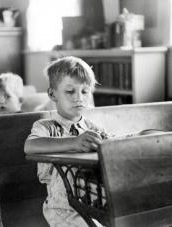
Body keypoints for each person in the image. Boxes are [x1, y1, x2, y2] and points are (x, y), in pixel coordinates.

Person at [24, 56, 107, 227]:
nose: (79, 98)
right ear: (52, 94)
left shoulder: (93, 129)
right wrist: (74, 142)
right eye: (70, 92)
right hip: (62, 208)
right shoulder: (46, 126)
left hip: (95, 203)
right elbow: (30, 146)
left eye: (84, 91)